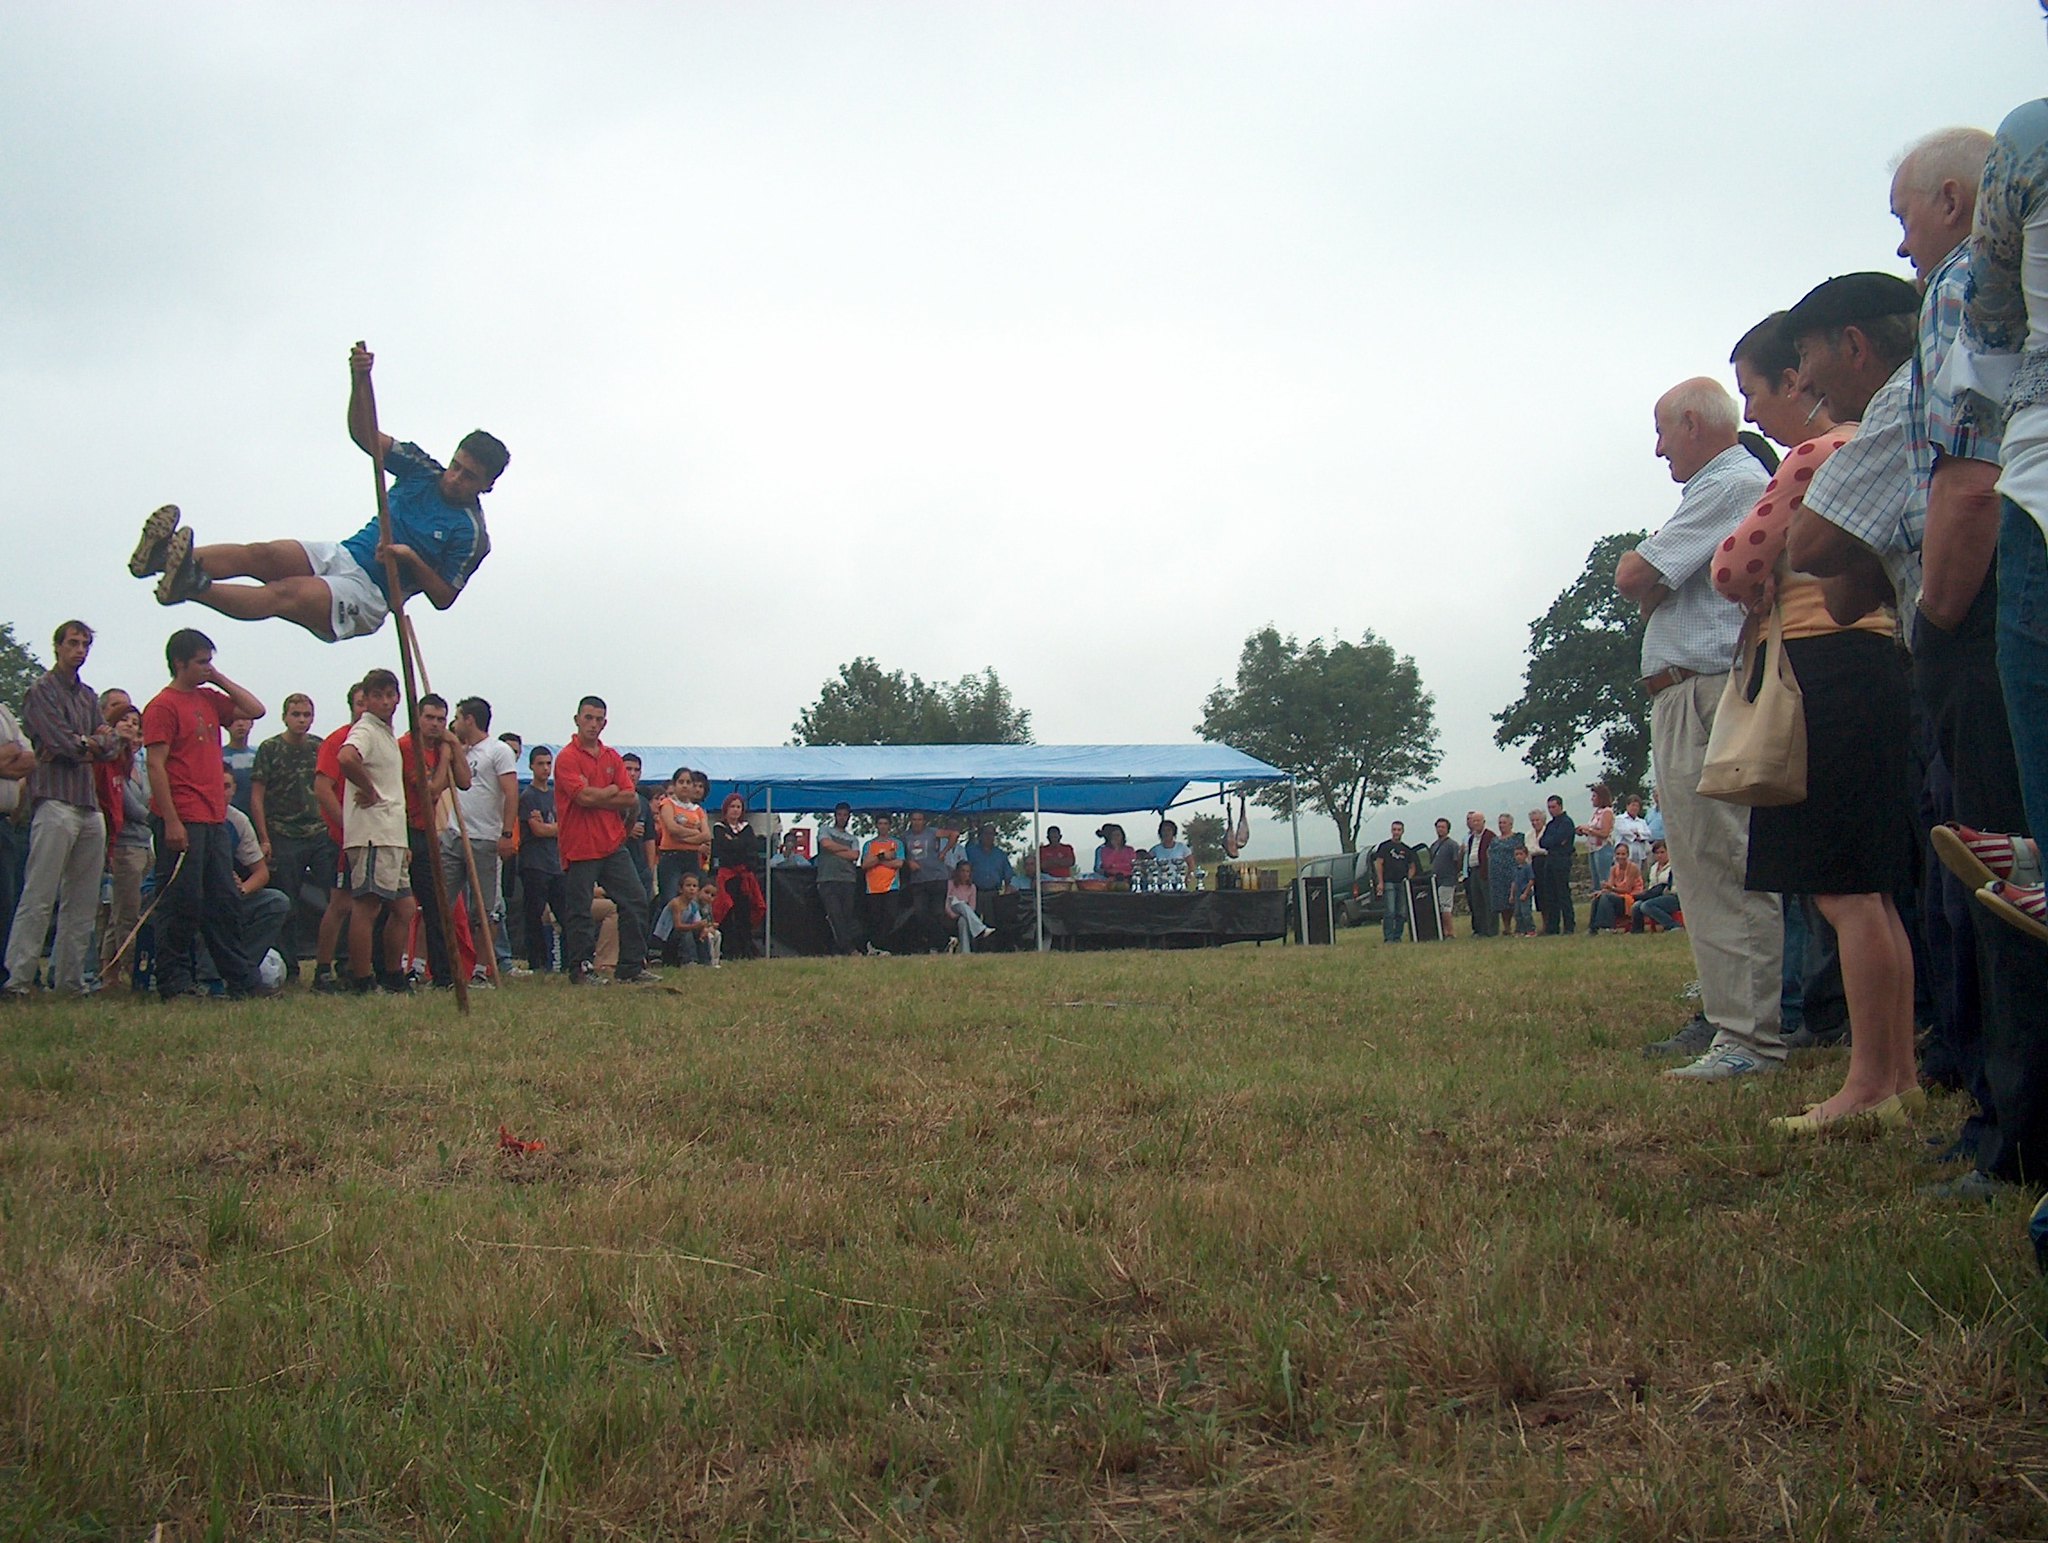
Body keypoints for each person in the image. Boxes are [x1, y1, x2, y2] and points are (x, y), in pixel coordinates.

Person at [1746, 273, 1933, 1131]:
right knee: (1874, 890)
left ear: (1851, 345)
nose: (1807, 380)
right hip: (1879, 665)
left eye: (1808, 358)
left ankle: (1867, 1080)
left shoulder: (1834, 445)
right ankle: (1894, 1073)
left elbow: (1770, 557)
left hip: (1827, 675)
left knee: (1843, 890)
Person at [1616, 377, 1784, 1078]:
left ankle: (1748, 1038)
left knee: (1722, 863)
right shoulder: (1719, 488)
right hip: (1690, 693)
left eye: (1662, 432)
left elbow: (1635, 574)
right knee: (1706, 864)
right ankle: (1735, 1025)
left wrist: (1653, 581)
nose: (1658, 449)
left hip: (1704, 691)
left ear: (1692, 422)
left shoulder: (1727, 484)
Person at [132, 345, 507, 641]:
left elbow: (443, 598)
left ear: (486, 485)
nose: (455, 478)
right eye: (456, 465)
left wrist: (408, 557)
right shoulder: (422, 468)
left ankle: (191, 587)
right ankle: (162, 558)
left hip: (369, 595)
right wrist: (359, 380)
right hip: (345, 552)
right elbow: (365, 435)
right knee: (263, 554)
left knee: (285, 594)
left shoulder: (471, 534)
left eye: (468, 476)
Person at [3, 621, 122, 997]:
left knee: (83, 899)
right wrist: (90, 743)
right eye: (73, 643)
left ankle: (69, 980)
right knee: (39, 894)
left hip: (88, 803)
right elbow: (59, 741)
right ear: (57, 647)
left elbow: (112, 744)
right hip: (54, 800)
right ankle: (19, 979)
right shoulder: (40, 691)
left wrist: (89, 743)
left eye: (85, 644)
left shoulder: (88, 695)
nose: (80, 650)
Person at [553, 696, 655, 985]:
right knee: (580, 909)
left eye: (599, 719)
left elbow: (629, 796)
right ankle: (581, 969)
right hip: (580, 845)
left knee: (636, 899)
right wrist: (610, 793)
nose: (594, 724)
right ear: (577, 719)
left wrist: (600, 794)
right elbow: (582, 798)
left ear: (605, 723)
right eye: (589, 718)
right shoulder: (567, 758)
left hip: (611, 844)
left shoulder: (611, 756)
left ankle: (631, 966)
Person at [336, 668, 416, 993]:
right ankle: (361, 978)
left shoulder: (386, 734)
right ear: (366, 699)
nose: (386, 702)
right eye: (378, 696)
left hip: (392, 834)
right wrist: (368, 790)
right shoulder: (365, 730)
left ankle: (393, 973)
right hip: (372, 833)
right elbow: (345, 758)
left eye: (390, 695)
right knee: (367, 905)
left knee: (405, 907)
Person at [249, 692, 328, 981]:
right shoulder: (270, 749)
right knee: (288, 903)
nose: (302, 721)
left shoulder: (319, 747)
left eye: (307, 715)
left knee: (336, 896)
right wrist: (264, 837)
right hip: (283, 832)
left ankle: (332, 963)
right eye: (296, 715)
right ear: (285, 717)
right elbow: (257, 796)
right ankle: (289, 966)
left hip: (318, 831)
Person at [395, 693, 468, 987]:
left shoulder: (441, 746)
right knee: (397, 903)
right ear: (417, 718)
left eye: (441, 719)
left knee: (437, 904)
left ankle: (444, 974)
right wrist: (446, 758)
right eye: (430, 718)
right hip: (403, 829)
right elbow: (430, 790)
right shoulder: (407, 746)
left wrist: (453, 747)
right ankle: (389, 967)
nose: (436, 724)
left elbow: (464, 781)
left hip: (427, 833)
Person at [449, 697, 519, 984]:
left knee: (484, 909)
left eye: (457, 717)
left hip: (485, 837)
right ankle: (425, 966)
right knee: (441, 900)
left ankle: (481, 970)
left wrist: (506, 834)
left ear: (469, 719)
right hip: (454, 834)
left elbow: (511, 792)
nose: (453, 723)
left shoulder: (498, 750)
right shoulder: (457, 751)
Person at [310, 681, 367, 993]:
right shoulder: (338, 741)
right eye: (360, 703)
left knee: (367, 904)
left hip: (372, 836)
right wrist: (345, 827)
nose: (365, 709)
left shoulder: (381, 740)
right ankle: (322, 969)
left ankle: (353, 964)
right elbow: (323, 788)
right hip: (341, 837)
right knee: (340, 903)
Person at [98, 700, 153, 992]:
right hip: (125, 845)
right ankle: (132, 973)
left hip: (143, 844)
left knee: (122, 912)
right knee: (126, 913)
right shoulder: (111, 764)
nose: (131, 726)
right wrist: (155, 818)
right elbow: (130, 806)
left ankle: (110, 973)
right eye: (125, 721)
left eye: (135, 722)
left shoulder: (136, 764)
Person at [215, 769, 290, 981]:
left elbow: (261, 873)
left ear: (234, 790)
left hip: (228, 894)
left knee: (277, 902)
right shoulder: (190, 816)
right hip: (198, 895)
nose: (222, 792)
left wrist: (241, 889)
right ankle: (208, 974)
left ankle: (240, 971)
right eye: (217, 786)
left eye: (227, 787)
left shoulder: (237, 821)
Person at [518, 745, 566, 973]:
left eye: (548, 763)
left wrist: (553, 827)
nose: (546, 768)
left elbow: (564, 827)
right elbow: (538, 830)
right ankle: (536, 963)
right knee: (534, 914)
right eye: (541, 764)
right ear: (531, 766)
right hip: (534, 863)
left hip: (555, 863)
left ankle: (568, 962)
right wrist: (557, 828)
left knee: (565, 914)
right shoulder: (528, 796)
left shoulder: (555, 795)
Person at [710, 791, 765, 961]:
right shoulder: (719, 828)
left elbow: (751, 847)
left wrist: (734, 843)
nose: (735, 810)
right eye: (732, 806)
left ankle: (746, 949)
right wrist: (737, 845)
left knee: (744, 912)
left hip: (744, 876)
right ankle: (728, 950)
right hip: (727, 876)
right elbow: (724, 848)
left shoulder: (746, 828)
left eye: (738, 807)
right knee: (727, 911)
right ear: (725, 809)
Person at [814, 802, 866, 956]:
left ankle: (839, 949)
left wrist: (834, 848)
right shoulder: (825, 829)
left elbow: (855, 855)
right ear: (835, 815)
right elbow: (825, 844)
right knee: (834, 914)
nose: (842, 818)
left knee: (846, 915)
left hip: (848, 880)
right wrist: (844, 849)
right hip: (827, 879)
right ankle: (849, 949)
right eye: (840, 814)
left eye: (845, 815)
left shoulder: (853, 838)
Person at [654, 768, 711, 907]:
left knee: (691, 901)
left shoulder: (697, 810)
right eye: (681, 782)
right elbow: (672, 828)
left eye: (688, 782)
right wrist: (695, 833)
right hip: (671, 857)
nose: (685, 785)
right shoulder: (667, 804)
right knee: (670, 900)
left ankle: (687, 928)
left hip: (692, 858)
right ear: (674, 785)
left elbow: (706, 835)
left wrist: (684, 837)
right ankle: (663, 929)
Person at [901, 810, 954, 951]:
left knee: (938, 912)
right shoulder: (906, 836)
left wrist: (944, 852)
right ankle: (945, 941)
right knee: (920, 913)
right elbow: (900, 853)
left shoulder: (932, 832)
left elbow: (953, 834)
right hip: (918, 880)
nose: (917, 822)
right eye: (914, 819)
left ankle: (937, 946)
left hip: (937, 877)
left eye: (919, 819)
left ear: (924, 821)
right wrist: (908, 862)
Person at [860, 811, 907, 950]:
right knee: (875, 919)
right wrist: (883, 856)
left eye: (885, 824)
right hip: (873, 888)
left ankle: (883, 946)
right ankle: (875, 946)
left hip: (891, 886)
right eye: (880, 823)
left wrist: (877, 861)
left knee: (890, 917)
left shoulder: (896, 843)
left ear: (890, 826)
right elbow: (865, 864)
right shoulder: (869, 845)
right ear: (876, 826)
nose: (883, 826)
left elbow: (899, 863)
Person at [654, 869, 717, 967]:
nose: (692, 889)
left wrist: (704, 928)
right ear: (680, 889)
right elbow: (678, 926)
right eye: (688, 886)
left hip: (682, 934)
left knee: (701, 932)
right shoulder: (676, 903)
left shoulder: (693, 905)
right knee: (686, 932)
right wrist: (696, 926)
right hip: (667, 937)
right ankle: (689, 961)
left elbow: (698, 922)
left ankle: (706, 961)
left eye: (694, 886)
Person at [618, 753, 656, 904]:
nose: (632, 773)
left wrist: (650, 867)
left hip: (640, 866)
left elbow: (649, 838)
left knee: (642, 908)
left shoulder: (643, 802)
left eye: (636, 769)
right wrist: (627, 830)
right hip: (618, 866)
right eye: (628, 769)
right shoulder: (610, 798)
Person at [1537, 795, 1577, 936]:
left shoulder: (1566, 823)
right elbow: (1543, 842)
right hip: (1550, 861)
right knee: (1550, 895)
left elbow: (1559, 839)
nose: (1551, 810)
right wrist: (1553, 842)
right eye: (1549, 808)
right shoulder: (1551, 824)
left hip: (1562, 860)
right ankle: (1552, 927)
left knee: (1563, 894)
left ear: (1560, 806)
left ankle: (1569, 926)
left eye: (1553, 807)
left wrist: (1553, 842)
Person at [1371, 822, 1416, 942]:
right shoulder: (1384, 846)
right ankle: (1388, 938)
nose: (1396, 832)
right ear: (1391, 831)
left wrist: (1408, 880)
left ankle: (1397, 937)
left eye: (1399, 830)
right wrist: (1380, 882)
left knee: (1401, 912)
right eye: (1394, 829)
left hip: (1402, 883)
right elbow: (1378, 864)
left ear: (1403, 831)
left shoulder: (1406, 849)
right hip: (1388, 882)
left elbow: (1412, 866)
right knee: (1390, 911)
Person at [1588, 845, 1646, 934]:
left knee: (1607, 897)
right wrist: (1601, 891)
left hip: (1631, 898)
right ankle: (1593, 928)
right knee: (1598, 898)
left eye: (1623, 854)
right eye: (1618, 854)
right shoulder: (1613, 869)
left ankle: (1608, 926)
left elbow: (1627, 889)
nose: (1620, 857)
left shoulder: (1633, 868)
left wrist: (1610, 889)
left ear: (1628, 855)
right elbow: (1609, 887)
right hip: (1618, 897)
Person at [968, 824, 1018, 921]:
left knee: (992, 923)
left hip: (993, 894)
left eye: (992, 834)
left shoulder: (1000, 854)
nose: (989, 836)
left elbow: (1009, 876)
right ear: (981, 835)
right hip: (974, 893)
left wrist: (1007, 894)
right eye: (986, 833)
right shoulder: (971, 851)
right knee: (973, 923)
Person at [1489, 813, 1526, 936]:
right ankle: (1506, 927)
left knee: (1514, 899)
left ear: (1511, 824)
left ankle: (1520, 926)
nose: (1501, 825)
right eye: (1500, 823)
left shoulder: (1517, 837)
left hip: (1512, 872)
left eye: (1504, 823)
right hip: (1498, 875)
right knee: (1502, 902)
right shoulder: (1494, 840)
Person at [1461, 811, 1496, 938]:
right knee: (1477, 902)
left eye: (1478, 821)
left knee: (1488, 901)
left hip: (1484, 871)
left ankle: (1491, 930)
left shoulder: (1489, 836)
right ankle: (1480, 930)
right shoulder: (1471, 838)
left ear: (1483, 822)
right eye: (1473, 821)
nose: (1475, 823)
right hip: (1473, 871)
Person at [1576, 784, 1617, 891]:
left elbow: (1604, 833)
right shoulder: (1597, 812)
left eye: (1594, 796)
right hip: (1593, 848)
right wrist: (1584, 831)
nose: (1592, 799)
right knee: (1595, 879)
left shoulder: (1607, 812)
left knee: (1604, 878)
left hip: (1603, 848)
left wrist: (1589, 830)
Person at [948, 859, 993, 953]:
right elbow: (946, 902)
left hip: (965, 914)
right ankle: (980, 929)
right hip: (953, 909)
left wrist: (964, 914)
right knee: (961, 904)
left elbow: (972, 907)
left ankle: (965, 951)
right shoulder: (951, 884)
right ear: (958, 872)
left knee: (963, 921)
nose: (965, 874)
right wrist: (953, 914)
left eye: (967, 871)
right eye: (962, 871)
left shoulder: (972, 887)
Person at [1426, 817, 1460, 937]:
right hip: (1436, 880)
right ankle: (1442, 931)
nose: (1440, 829)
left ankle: (1449, 932)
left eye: (1443, 827)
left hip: (1447, 880)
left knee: (1445, 906)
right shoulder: (1434, 845)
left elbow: (1457, 862)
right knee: (1439, 906)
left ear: (1448, 829)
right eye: (1438, 827)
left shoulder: (1452, 845)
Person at [1612, 795, 1653, 866]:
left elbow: (1648, 834)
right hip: (1624, 854)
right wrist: (1637, 836)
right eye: (1633, 805)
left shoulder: (1642, 821)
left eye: (1637, 806)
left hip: (1639, 854)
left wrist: (1639, 835)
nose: (1635, 808)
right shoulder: (1620, 819)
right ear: (1627, 806)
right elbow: (1625, 832)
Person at [1510, 845, 1537, 936]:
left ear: (1525, 855)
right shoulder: (1515, 868)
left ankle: (1531, 930)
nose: (1518, 856)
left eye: (1521, 854)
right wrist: (1511, 895)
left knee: (1526, 913)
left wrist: (1525, 893)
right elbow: (1514, 882)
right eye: (1516, 854)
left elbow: (1531, 881)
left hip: (1525, 892)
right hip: (1517, 893)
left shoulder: (1527, 867)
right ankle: (1520, 930)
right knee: (1517, 913)